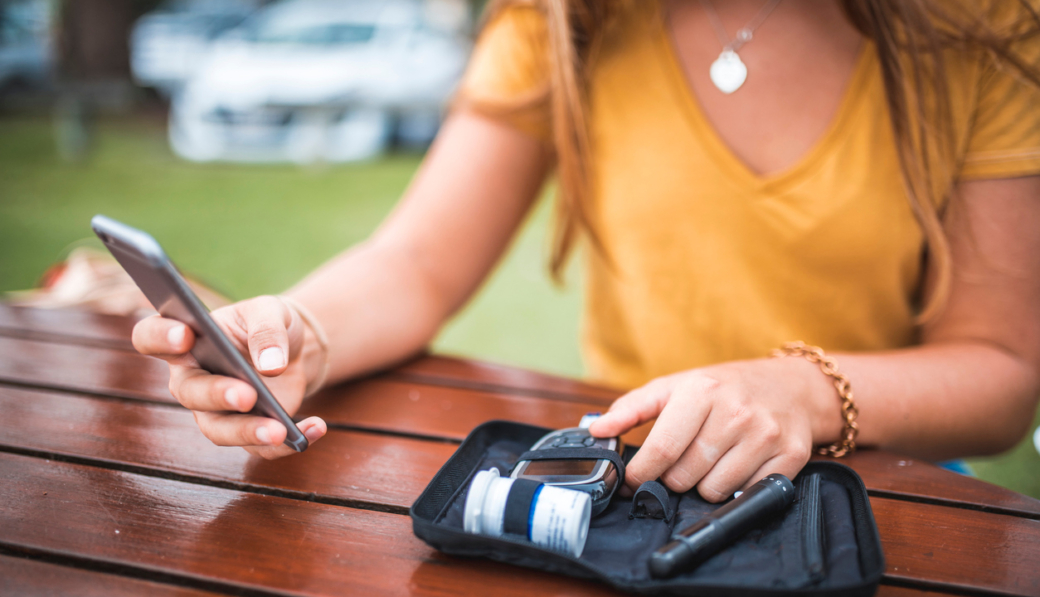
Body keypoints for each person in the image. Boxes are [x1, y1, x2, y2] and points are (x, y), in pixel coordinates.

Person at [132, 0, 1040, 503]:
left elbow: (1001, 375)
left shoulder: (982, 30)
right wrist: (304, 332)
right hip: (633, 485)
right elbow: (417, 263)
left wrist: (799, 393)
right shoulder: (565, 19)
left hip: (883, 492)